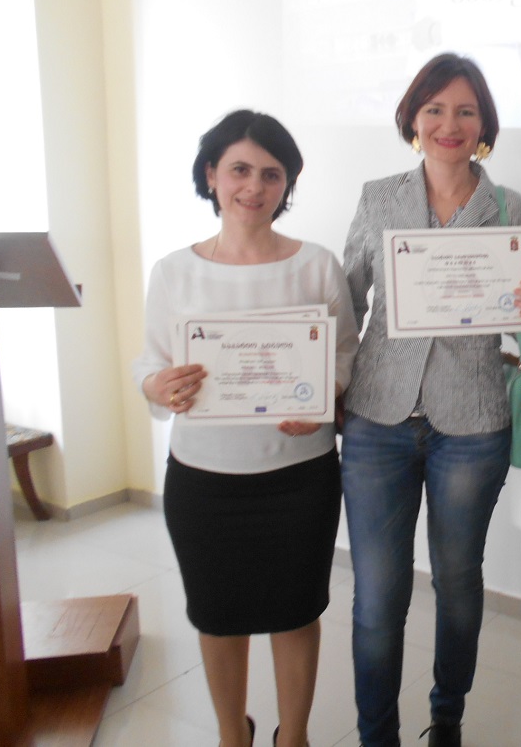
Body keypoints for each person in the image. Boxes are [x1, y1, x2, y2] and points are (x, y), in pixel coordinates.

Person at [341, 53, 521, 747]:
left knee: (458, 581)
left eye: (465, 110)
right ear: (413, 119)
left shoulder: (512, 208)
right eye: (434, 109)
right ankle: (377, 735)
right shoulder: (379, 198)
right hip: (378, 418)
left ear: (484, 124)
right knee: (378, 597)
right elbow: (347, 301)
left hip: (472, 424)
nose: (449, 123)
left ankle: (447, 716)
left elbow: (519, 324)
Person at [133, 110, 359, 747]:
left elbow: (345, 354)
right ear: (211, 174)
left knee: (295, 613)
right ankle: (233, 733)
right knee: (218, 618)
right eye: (239, 170)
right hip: (205, 479)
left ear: (287, 185)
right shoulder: (174, 271)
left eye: (271, 174)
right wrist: (157, 385)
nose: (254, 187)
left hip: (299, 478)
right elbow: (150, 363)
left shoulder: (316, 265)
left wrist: (325, 394)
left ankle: (295, 737)